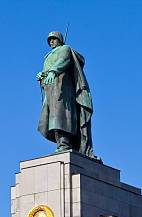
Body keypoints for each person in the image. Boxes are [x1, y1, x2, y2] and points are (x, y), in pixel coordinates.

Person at [36, 31, 97, 160]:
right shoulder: (47, 56)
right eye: (49, 40)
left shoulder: (65, 49)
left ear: (60, 39)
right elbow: (47, 75)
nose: (51, 42)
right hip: (50, 91)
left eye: (54, 39)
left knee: (61, 115)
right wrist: (42, 76)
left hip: (63, 88)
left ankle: (65, 142)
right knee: (50, 117)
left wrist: (53, 71)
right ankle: (61, 143)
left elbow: (64, 61)